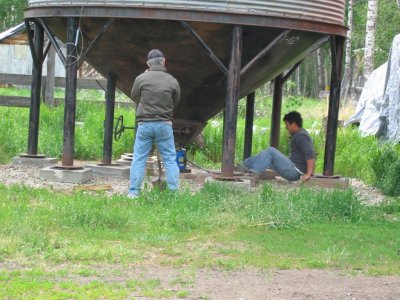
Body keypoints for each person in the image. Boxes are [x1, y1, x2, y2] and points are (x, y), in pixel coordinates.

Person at [128, 49, 181, 198]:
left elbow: (134, 96)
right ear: (164, 61)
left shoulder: (141, 78)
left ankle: (133, 193)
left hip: (145, 124)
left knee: (139, 158)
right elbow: (176, 101)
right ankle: (173, 193)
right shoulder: (172, 80)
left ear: (147, 64)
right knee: (170, 159)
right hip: (164, 124)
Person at [241, 111, 315, 182]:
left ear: (293, 124)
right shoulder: (299, 134)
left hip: (295, 172)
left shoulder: (301, 136)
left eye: (286, 124)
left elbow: (310, 154)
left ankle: (253, 174)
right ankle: (243, 166)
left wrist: (308, 174)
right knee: (265, 156)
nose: (286, 127)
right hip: (294, 170)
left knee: (270, 151)